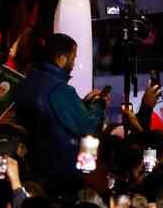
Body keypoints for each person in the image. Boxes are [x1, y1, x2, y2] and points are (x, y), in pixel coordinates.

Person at [15, 33, 106, 179]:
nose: (74, 64)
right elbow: (88, 126)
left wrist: (82, 105)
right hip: (60, 169)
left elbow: (53, 114)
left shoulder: (26, 82)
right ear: (61, 59)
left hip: (31, 165)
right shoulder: (60, 90)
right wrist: (98, 104)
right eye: (73, 58)